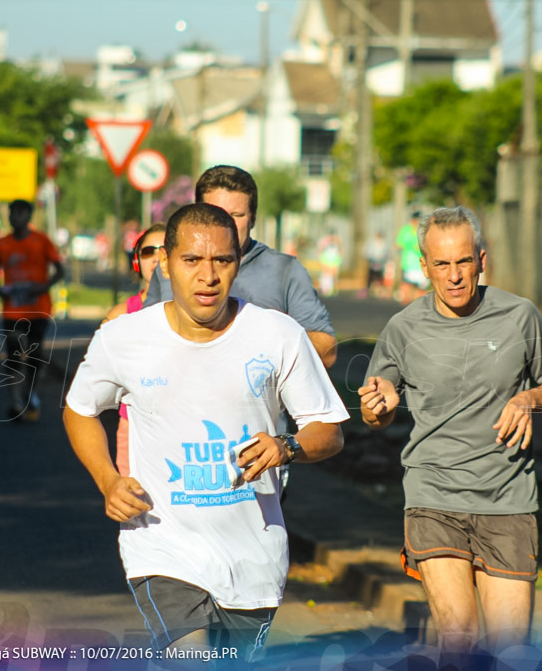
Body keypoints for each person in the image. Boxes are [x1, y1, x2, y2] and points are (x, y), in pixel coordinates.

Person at [64, 203, 347, 662]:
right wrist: (107, 479)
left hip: (254, 556)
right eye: (192, 260)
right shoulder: (124, 338)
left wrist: (287, 445)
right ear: (167, 264)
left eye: (223, 260)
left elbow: (329, 431)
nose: (208, 275)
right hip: (162, 544)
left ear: (238, 263)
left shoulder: (277, 334)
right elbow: (80, 410)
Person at [357, 206, 542, 664]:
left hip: (507, 495)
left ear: (481, 259)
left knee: (511, 650)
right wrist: (379, 407)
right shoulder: (404, 328)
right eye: (442, 264)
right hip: (433, 493)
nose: (454, 276)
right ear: (424, 267)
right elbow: (377, 410)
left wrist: (528, 399)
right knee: (458, 637)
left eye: (463, 262)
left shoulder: (519, 315)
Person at [143, 165, 337, 369]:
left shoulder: (285, 270)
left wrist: (255, 339)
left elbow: (327, 351)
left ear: (252, 218)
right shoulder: (172, 265)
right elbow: (144, 335)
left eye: (237, 215)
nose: (226, 224)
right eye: (215, 213)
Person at [0, 199, 65, 422]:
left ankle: (30, 392)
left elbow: (59, 270)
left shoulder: (41, 241)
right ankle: (15, 401)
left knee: (34, 354)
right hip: (12, 309)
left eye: (20, 213)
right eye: (12, 213)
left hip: (38, 308)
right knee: (12, 354)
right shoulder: (2, 243)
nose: (16, 218)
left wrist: (43, 287)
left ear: (28, 217)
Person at [102, 222, 167, 476]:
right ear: (137, 261)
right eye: (149, 251)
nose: (157, 257)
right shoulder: (119, 316)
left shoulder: (198, 312)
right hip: (135, 427)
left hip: (186, 426)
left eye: (165, 250)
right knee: (136, 508)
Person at [395, 211, 428, 305]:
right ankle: (406, 306)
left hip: (420, 264)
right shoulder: (405, 230)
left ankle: (420, 306)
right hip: (407, 263)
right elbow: (398, 245)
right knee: (406, 285)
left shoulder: (423, 232)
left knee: (421, 288)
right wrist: (410, 245)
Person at [365, 231, 389, 298]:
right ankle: (369, 289)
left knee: (379, 277)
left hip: (380, 263)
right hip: (373, 262)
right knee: (371, 276)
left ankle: (379, 290)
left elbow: (386, 254)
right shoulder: (372, 243)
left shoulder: (383, 244)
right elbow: (368, 252)